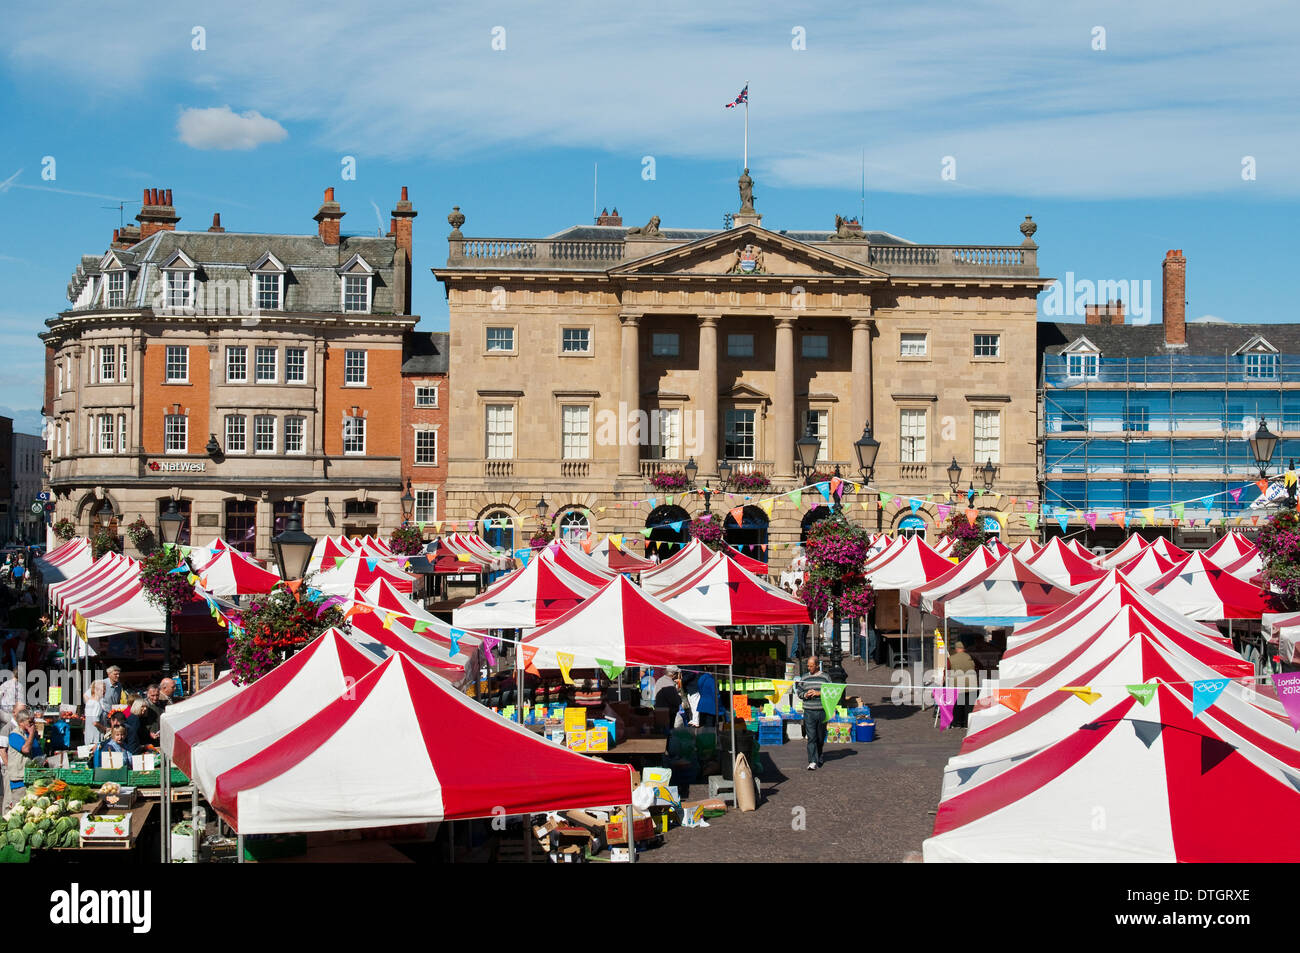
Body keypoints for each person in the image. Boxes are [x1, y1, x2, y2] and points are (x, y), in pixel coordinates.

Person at [5, 709, 44, 810]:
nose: (33, 724)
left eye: (33, 721)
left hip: (31, 779)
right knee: (19, 810)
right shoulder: (14, 735)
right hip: (19, 781)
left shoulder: (30, 736)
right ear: (21, 722)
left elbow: (38, 754)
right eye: (30, 722)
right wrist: (31, 733)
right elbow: (25, 749)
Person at [796, 656, 830, 770]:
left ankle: (819, 754)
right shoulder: (804, 677)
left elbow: (831, 692)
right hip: (809, 711)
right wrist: (805, 695)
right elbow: (799, 691)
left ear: (817, 665)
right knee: (811, 737)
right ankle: (812, 761)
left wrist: (818, 693)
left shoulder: (825, 677)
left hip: (821, 711)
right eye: (808, 666)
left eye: (811, 666)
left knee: (820, 736)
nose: (809, 668)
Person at [947, 639, 979, 730]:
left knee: (958, 705)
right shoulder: (971, 657)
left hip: (957, 684)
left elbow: (947, 670)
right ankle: (967, 724)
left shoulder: (951, 658)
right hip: (971, 684)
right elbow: (978, 667)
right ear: (963, 649)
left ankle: (957, 723)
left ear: (957, 649)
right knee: (969, 705)